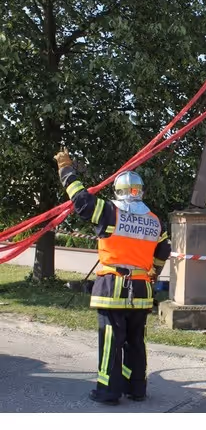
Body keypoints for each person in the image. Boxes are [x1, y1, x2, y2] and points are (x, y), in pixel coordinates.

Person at [54, 148, 171, 405]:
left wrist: (66, 169)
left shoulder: (110, 212)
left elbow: (81, 201)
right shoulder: (154, 220)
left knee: (111, 341)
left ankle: (108, 391)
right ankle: (136, 388)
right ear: (141, 191)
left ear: (117, 192)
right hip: (141, 290)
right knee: (135, 341)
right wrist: (154, 271)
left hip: (112, 288)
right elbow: (164, 249)